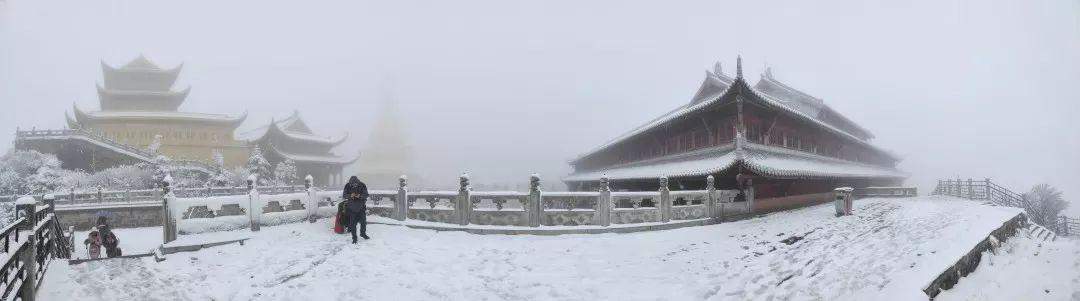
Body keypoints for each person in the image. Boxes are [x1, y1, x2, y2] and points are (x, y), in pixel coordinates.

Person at [342, 176, 370, 243]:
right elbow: (344, 195)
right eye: (352, 184)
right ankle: (354, 238)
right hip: (351, 208)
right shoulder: (347, 185)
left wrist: (359, 196)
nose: (354, 185)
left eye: (355, 184)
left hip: (361, 207)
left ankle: (363, 234)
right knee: (353, 224)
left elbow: (366, 195)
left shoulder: (362, 185)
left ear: (357, 182)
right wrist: (350, 195)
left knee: (363, 222)